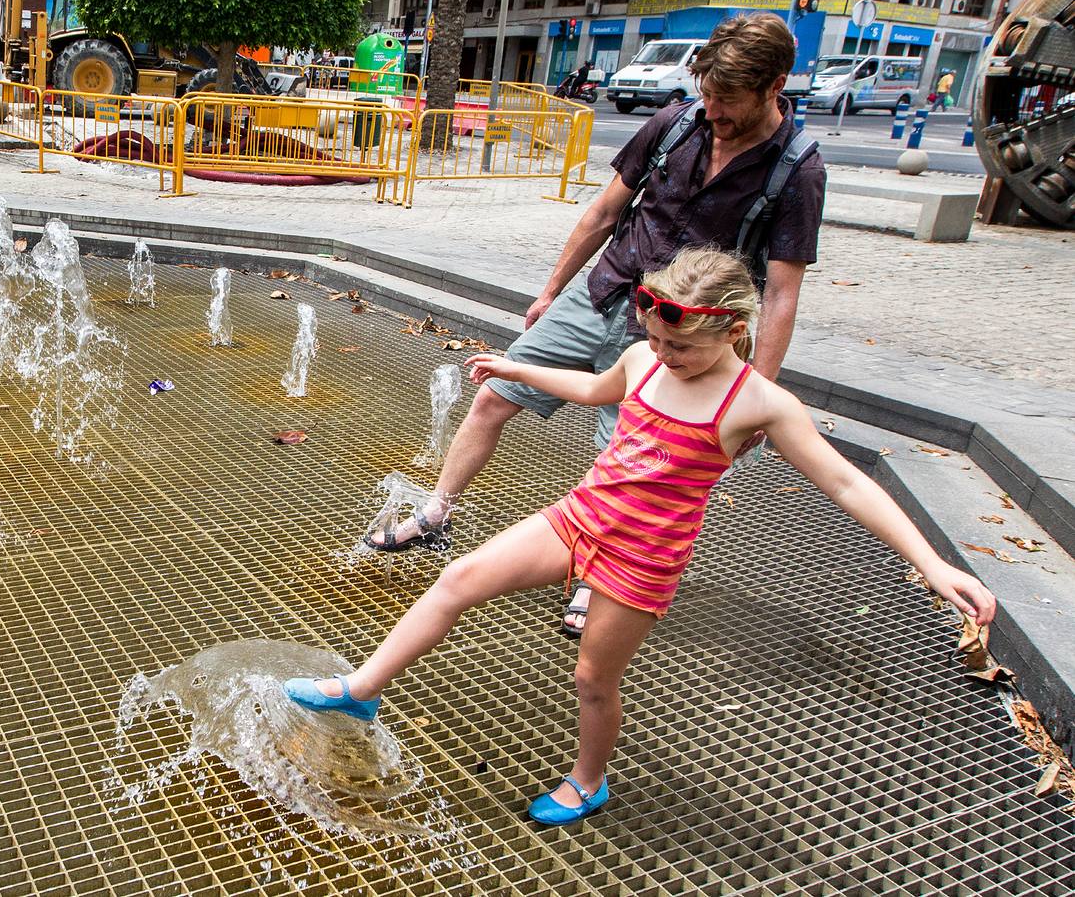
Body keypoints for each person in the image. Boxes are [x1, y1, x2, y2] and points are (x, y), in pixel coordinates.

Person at [286, 246, 998, 826]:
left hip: (643, 557)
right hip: (579, 517)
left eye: (680, 346)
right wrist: (515, 367)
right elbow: (594, 391)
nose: (663, 354)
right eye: (654, 338)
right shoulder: (640, 360)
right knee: (456, 579)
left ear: (731, 331)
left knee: (592, 679)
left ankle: (587, 780)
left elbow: (846, 484)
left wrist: (932, 565)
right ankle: (361, 688)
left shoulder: (759, 403)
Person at [362, 13, 826, 641]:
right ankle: (437, 511)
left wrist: (757, 394)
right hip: (605, 290)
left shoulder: (796, 170)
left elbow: (780, 293)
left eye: (727, 99)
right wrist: (551, 292)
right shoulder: (674, 123)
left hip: (682, 328)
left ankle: (598, 574)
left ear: (774, 86)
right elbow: (606, 210)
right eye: (707, 93)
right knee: (493, 395)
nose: (711, 109)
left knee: (632, 455)